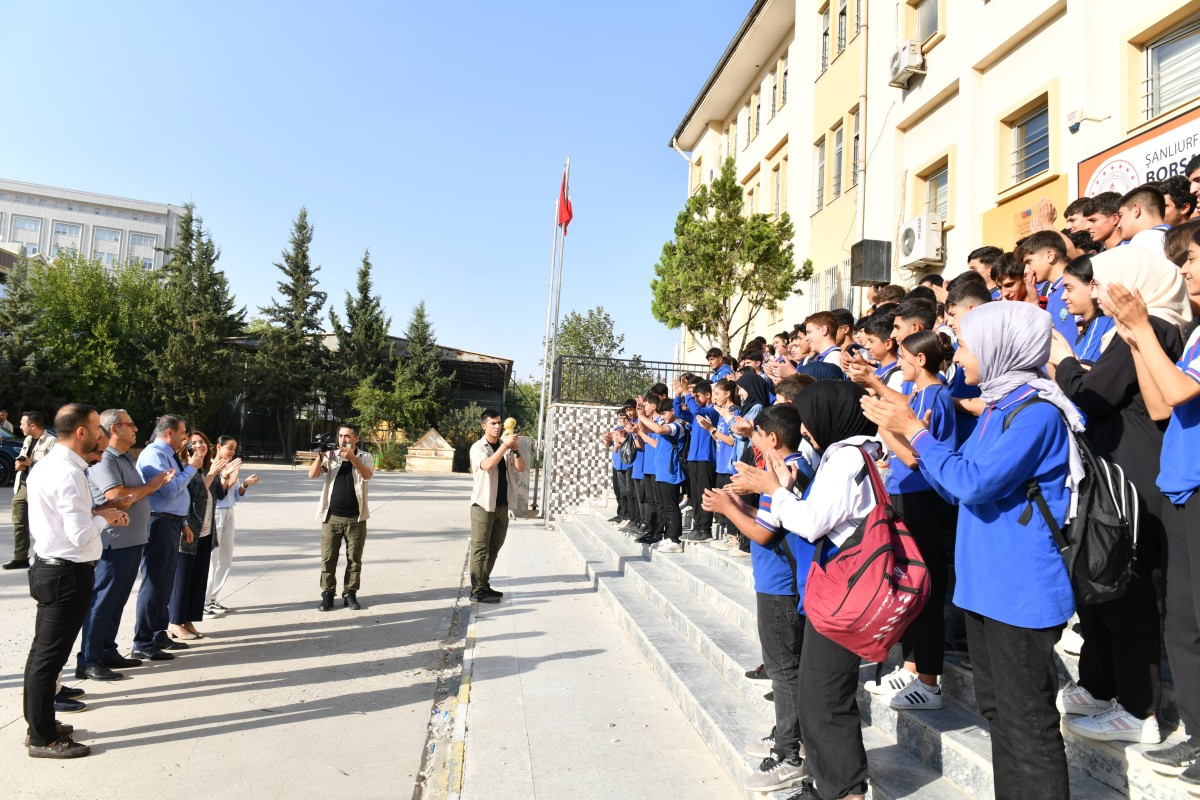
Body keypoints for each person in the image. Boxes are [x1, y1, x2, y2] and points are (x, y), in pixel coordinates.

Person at [862, 301, 1079, 800]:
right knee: (1000, 715)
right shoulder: (999, 407)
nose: (958, 353)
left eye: (968, 342)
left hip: (1019, 592)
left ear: (1002, 347)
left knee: (1029, 724)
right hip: (985, 589)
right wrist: (902, 431)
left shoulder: (1037, 413)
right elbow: (953, 482)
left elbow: (974, 482)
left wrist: (913, 428)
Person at [1047, 245, 1189, 744]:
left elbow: (1094, 394)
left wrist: (1064, 365)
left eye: (1108, 282)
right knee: (1102, 583)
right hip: (1114, 469)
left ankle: (1138, 708)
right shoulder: (1129, 330)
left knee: (1126, 589)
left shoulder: (1156, 328)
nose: (1101, 293)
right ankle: (1103, 685)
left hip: (1135, 474)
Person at [731, 381, 883, 800]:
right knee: (820, 700)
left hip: (840, 593)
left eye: (811, 413)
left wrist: (773, 490)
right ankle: (833, 786)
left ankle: (841, 790)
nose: (806, 425)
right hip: (830, 589)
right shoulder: (848, 455)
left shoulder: (847, 458)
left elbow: (811, 522)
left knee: (824, 701)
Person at [1103, 226, 1200, 782]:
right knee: (1183, 625)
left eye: (1192, 259)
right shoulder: (1191, 335)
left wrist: (1142, 330)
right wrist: (1137, 340)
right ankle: (1194, 730)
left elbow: (1183, 392)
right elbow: (1162, 405)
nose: (1184, 270)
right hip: (1183, 482)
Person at [702, 403, 813, 793]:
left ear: (773, 438)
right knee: (783, 667)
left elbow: (765, 534)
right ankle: (784, 736)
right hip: (776, 581)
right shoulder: (784, 469)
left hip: (781, 585)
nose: (755, 441)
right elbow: (771, 519)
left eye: (757, 435)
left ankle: (789, 755)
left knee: (784, 670)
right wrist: (736, 503)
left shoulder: (784, 472)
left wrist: (726, 509)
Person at [24, 403, 130, 759]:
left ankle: (42, 726)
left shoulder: (56, 464)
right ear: (82, 432)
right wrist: (106, 519)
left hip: (54, 568)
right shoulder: (67, 472)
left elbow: (67, 520)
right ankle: (42, 738)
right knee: (46, 659)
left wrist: (97, 514)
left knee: (45, 657)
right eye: (98, 428)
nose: (103, 434)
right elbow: (77, 535)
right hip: (65, 572)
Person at [75, 409, 172, 681]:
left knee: (116, 601)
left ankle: (107, 650)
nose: (136, 429)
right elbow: (119, 498)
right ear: (115, 429)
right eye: (130, 424)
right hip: (113, 543)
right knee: (103, 601)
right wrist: (151, 486)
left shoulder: (124, 459)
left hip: (131, 541)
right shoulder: (106, 460)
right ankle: (89, 659)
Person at [133, 415, 197, 660]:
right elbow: (169, 491)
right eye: (182, 433)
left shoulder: (168, 453)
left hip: (171, 522)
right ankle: (143, 640)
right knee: (154, 581)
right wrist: (192, 467)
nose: (185, 438)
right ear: (169, 432)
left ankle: (159, 633)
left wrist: (183, 522)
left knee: (164, 582)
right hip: (158, 522)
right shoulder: (154, 454)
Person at [169, 432, 234, 640]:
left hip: (206, 530)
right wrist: (212, 475)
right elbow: (191, 495)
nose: (199, 446)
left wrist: (224, 478)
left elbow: (219, 495)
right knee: (183, 578)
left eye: (202, 442)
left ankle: (188, 620)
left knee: (197, 579)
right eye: (193, 443)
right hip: (188, 531)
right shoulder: (185, 468)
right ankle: (174, 622)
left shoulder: (207, 467)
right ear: (185, 447)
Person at [309, 423, 374, 611]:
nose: (342, 440)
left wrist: (352, 458)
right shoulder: (330, 456)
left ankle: (350, 594)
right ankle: (327, 594)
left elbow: (367, 475)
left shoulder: (365, 456)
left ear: (356, 439)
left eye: (347, 436)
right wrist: (320, 454)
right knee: (328, 559)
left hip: (356, 518)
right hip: (331, 517)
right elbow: (312, 475)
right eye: (340, 436)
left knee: (354, 559)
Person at [468, 410, 525, 602]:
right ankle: (476, 591)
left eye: (499, 423)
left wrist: (515, 450)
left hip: (502, 505)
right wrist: (504, 447)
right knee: (480, 548)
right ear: (484, 426)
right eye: (493, 423)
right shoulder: (478, 447)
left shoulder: (505, 445)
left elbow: (521, 468)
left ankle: (484, 584)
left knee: (494, 547)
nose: (497, 426)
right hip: (483, 504)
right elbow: (488, 466)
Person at [205, 436, 259, 617]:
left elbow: (235, 495)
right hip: (215, 513)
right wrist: (227, 476)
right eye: (229, 447)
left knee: (226, 559)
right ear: (218, 447)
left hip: (229, 512)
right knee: (212, 559)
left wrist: (244, 484)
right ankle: (203, 601)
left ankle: (213, 597)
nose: (232, 452)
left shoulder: (231, 466)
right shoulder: (211, 467)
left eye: (234, 448)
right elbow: (218, 493)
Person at [636, 396, 689, 553]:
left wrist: (641, 417)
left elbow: (658, 430)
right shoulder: (664, 423)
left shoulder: (677, 426)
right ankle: (667, 536)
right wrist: (641, 416)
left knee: (671, 506)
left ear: (673, 411)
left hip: (670, 472)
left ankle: (675, 539)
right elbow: (644, 429)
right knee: (664, 505)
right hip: (661, 472)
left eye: (664, 413)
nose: (663, 417)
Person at [6, 411, 57, 571]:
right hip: (23, 486)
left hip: (41, 490)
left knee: (43, 524)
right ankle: (20, 557)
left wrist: (31, 463)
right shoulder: (28, 439)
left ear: (32, 425)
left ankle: (43, 556)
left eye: (22, 424)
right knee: (19, 523)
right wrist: (19, 464)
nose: (19, 426)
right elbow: (23, 458)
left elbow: (53, 467)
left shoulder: (51, 441)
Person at [1059, 256, 1114, 365]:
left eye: (1069, 289)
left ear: (1092, 286)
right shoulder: (1093, 324)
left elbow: (1082, 375)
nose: (1063, 296)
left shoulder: (1102, 323)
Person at [1117, 184, 1170, 257]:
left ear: (1136, 210)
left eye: (1121, 215)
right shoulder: (1179, 237)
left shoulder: (1143, 240)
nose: (1118, 225)